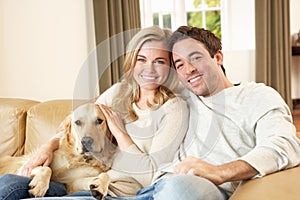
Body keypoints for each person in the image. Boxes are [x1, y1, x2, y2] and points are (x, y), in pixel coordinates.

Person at [93, 26, 300, 200]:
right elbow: (128, 86)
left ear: (218, 57)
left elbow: (285, 145)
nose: (188, 69)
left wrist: (220, 172)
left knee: (179, 189)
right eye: (180, 64)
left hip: (198, 188)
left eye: (196, 58)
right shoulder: (183, 95)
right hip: (150, 188)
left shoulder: (256, 95)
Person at [0, 26, 189, 199]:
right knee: (10, 183)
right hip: (81, 181)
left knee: (12, 188)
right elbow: (78, 121)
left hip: (117, 191)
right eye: (142, 59)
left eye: (159, 61)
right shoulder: (119, 92)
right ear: (132, 62)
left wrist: (120, 132)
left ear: (170, 66)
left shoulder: (174, 109)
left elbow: (151, 175)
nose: (149, 68)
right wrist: (47, 147)